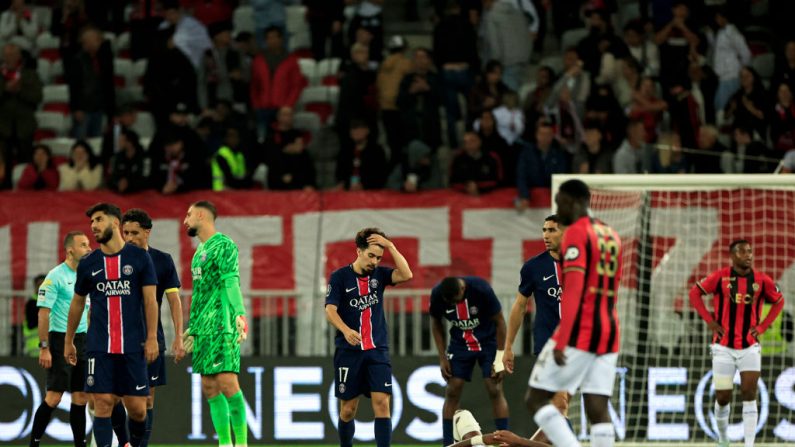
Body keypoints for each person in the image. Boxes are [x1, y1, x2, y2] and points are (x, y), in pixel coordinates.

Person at [525, 179, 623, 447]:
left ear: (574, 201)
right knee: (596, 406)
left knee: (534, 398)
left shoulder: (576, 234)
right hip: (610, 328)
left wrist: (564, 336)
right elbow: (615, 282)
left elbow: (573, 290)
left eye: (561, 202)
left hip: (582, 329)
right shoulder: (610, 233)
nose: (559, 207)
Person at [64, 203, 159, 447]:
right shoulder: (89, 263)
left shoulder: (139, 258)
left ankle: (133, 444)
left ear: (115, 223)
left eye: (98, 219)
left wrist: (151, 338)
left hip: (132, 345)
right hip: (99, 345)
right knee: (103, 402)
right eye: (91, 222)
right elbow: (77, 303)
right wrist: (69, 340)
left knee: (138, 409)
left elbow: (150, 300)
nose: (93, 226)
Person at [688, 239, 785, 447]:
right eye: (742, 252)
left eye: (750, 251)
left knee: (750, 394)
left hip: (750, 347)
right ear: (732, 256)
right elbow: (694, 293)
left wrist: (762, 327)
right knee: (723, 397)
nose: (748, 255)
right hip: (723, 348)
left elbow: (779, 301)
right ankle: (723, 439)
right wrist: (710, 322)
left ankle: (749, 444)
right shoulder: (720, 277)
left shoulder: (761, 280)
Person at [325, 228, 413, 447]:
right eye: (371, 256)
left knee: (382, 404)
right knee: (348, 410)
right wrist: (346, 330)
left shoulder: (380, 275)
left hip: (377, 349)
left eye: (379, 257)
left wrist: (391, 246)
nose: (375, 261)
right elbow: (330, 310)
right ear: (358, 251)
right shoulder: (339, 277)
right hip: (349, 351)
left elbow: (406, 274)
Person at [181, 201, 249, 447]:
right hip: (203, 328)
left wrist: (240, 314)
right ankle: (225, 443)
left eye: (188, 215)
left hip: (222, 324)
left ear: (201, 215)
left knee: (227, 383)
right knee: (209, 387)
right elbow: (201, 292)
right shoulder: (199, 251)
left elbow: (231, 282)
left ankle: (240, 444)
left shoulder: (225, 245)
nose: (185, 220)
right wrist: (194, 324)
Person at [120, 209, 185, 447]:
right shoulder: (114, 260)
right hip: (119, 339)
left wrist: (178, 336)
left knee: (146, 400)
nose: (129, 238)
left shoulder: (162, 260)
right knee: (116, 399)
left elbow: (174, 301)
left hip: (150, 340)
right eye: (125, 232)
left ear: (147, 232)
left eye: (134, 233)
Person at [504, 215, 569, 443]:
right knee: (559, 404)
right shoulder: (533, 267)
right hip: (548, 345)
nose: (545, 235)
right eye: (543, 230)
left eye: (552, 230)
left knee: (560, 410)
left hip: (579, 346)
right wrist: (508, 346)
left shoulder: (582, 264)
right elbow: (520, 306)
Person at [28, 231, 92, 447]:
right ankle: (34, 443)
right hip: (58, 340)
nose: (89, 248)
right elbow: (43, 313)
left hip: (82, 340)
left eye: (88, 244)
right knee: (54, 397)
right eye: (83, 245)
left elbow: (88, 311)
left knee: (81, 396)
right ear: (70, 250)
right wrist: (44, 347)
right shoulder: (55, 276)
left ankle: (79, 445)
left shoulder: (86, 276)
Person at [430, 276, 508, 446]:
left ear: (462, 290)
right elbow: (435, 321)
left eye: (454, 300)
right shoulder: (438, 294)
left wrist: (500, 357)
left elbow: (500, 322)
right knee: (452, 389)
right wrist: (442, 358)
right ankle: (448, 443)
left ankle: (504, 441)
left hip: (487, 343)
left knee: (494, 388)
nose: (451, 304)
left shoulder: (482, 290)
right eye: (448, 302)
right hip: (460, 345)